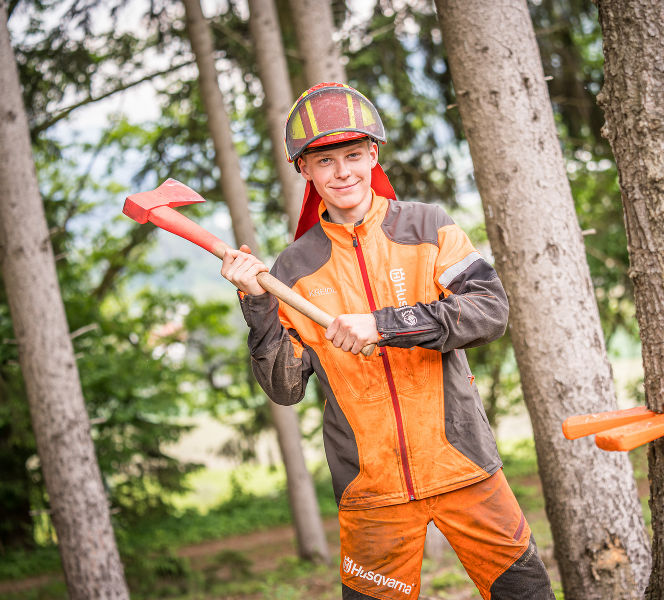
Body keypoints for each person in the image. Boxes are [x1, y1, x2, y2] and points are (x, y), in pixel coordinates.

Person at [221, 82, 553, 600]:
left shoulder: (428, 227)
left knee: (526, 595)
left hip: (464, 467)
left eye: (353, 155)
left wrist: (385, 324)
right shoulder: (293, 269)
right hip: (370, 492)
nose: (342, 172)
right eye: (325, 162)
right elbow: (284, 387)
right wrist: (257, 302)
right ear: (304, 170)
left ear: (373, 155)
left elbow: (489, 312)